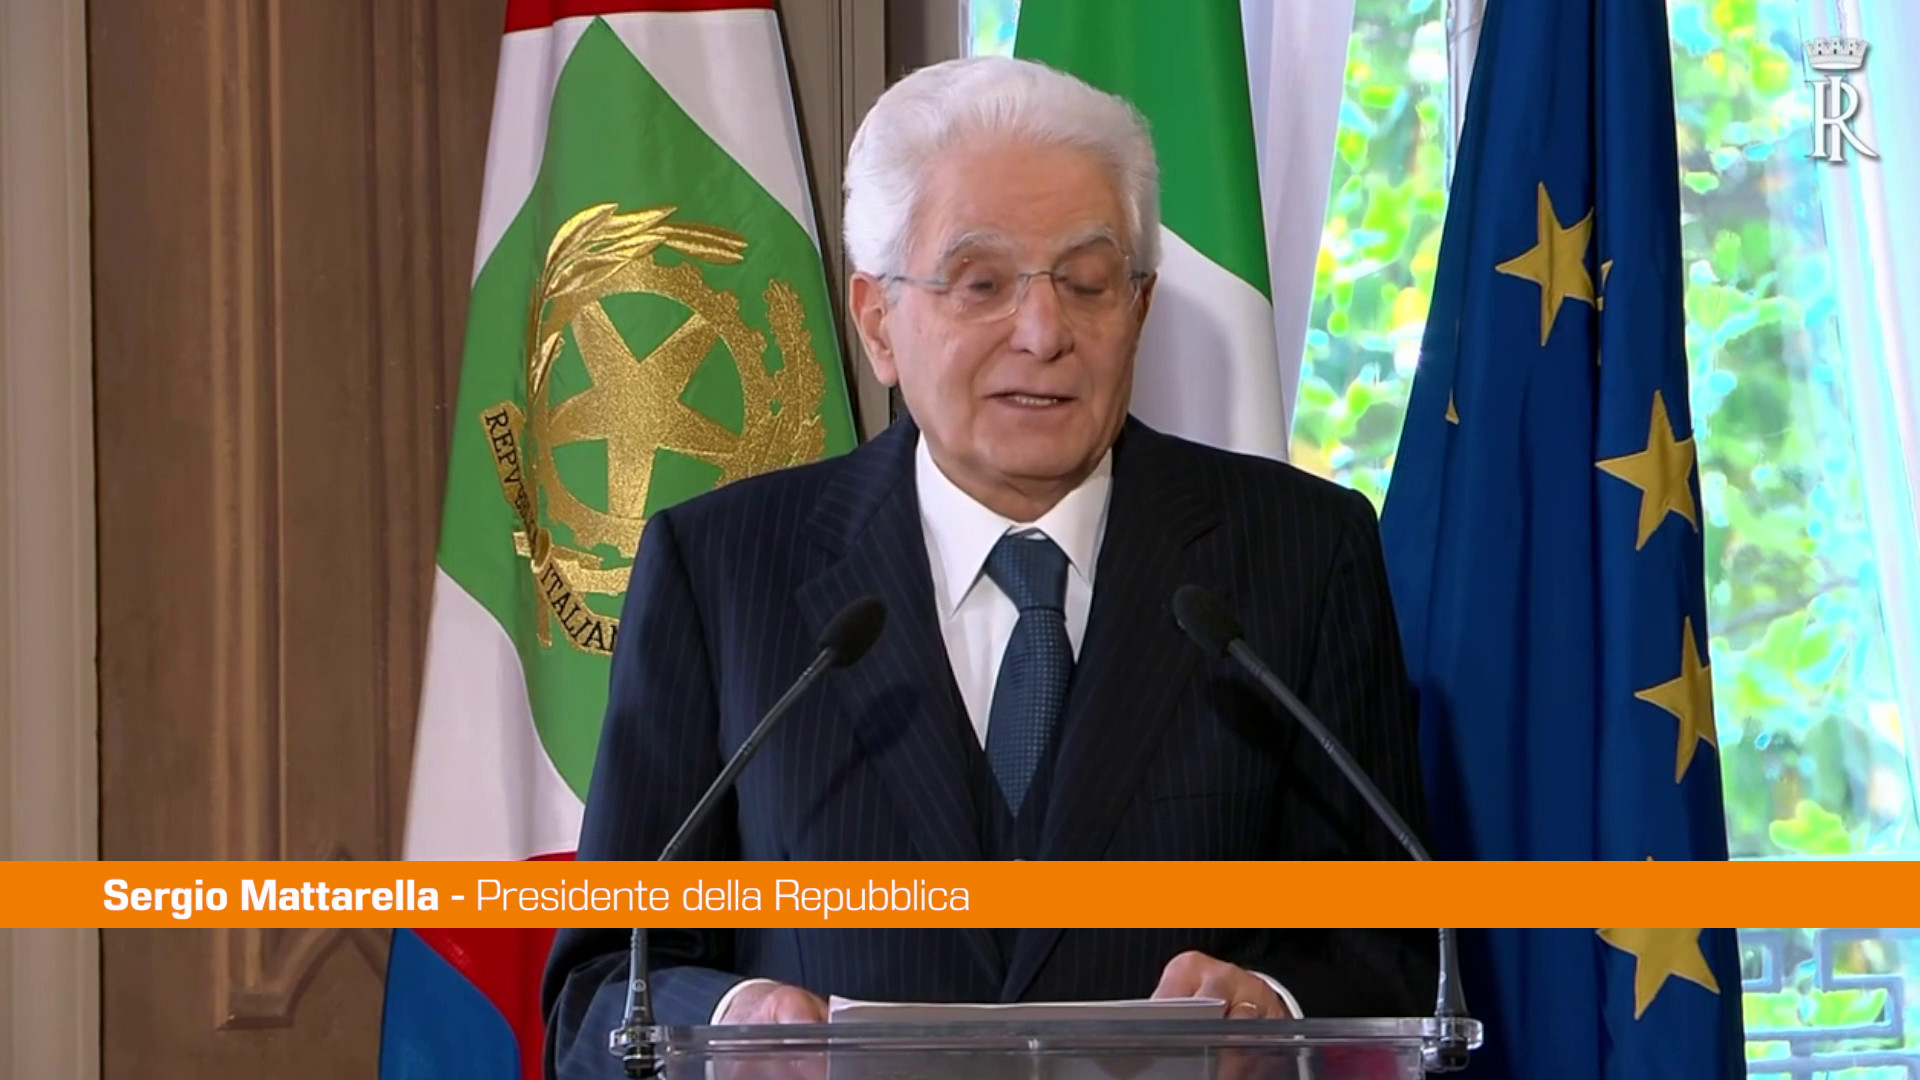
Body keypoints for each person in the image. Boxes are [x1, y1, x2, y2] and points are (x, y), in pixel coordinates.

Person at [542, 55, 1436, 1077]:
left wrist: (1277, 1010)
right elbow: (601, 987)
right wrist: (732, 1028)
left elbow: (1401, 951)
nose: (1045, 333)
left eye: (1087, 283)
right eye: (982, 284)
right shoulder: (722, 571)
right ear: (879, 322)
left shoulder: (1300, 555)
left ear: (1139, 307)